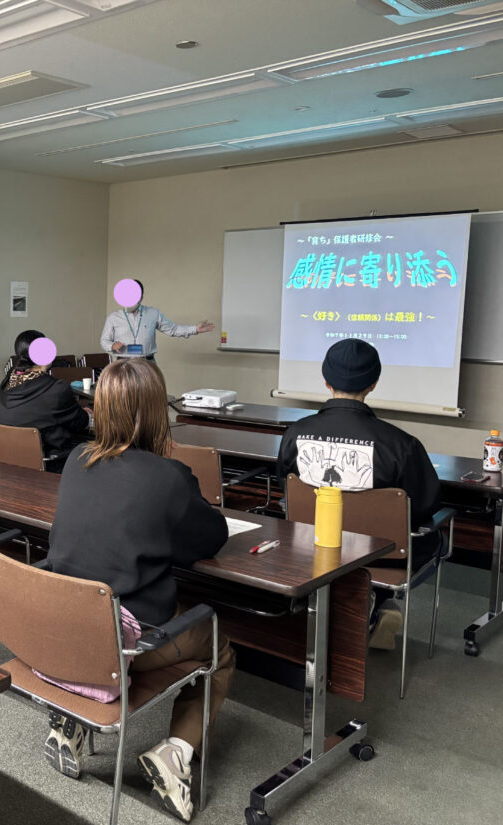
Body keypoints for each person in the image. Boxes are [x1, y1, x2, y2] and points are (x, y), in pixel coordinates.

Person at [44, 358, 235, 822]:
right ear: (156, 413)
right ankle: (175, 753)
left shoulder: (75, 459)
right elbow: (211, 538)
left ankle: (73, 718)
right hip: (120, 642)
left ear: (99, 410)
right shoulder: (168, 476)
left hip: (58, 630)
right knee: (220, 647)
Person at [276, 338, 442, 649]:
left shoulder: (295, 433)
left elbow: (285, 486)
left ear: (326, 381)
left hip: (311, 544)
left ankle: (353, 607)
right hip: (383, 555)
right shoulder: (401, 444)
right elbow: (424, 504)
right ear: (374, 383)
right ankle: (373, 601)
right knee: (431, 533)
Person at [0, 330, 90, 468]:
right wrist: (87, 414)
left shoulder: (8, 381)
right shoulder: (57, 388)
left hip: (8, 463)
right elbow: (81, 423)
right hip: (49, 464)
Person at [100, 279, 215, 360]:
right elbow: (104, 340)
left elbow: (173, 330)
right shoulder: (114, 317)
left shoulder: (153, 313)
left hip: (148, 363)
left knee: (152, 390)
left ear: (141, 296)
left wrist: (195, 329)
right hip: (123, 363)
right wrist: (112, 346)